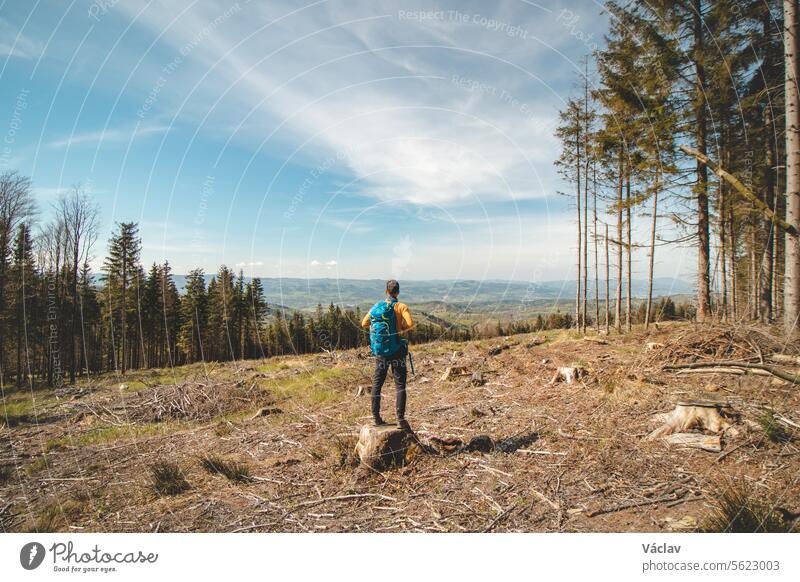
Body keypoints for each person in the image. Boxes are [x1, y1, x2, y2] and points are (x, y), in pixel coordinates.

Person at [361, 279, 414, 429]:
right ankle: (400, 420)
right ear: (398, 292)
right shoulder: (401, 306)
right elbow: (410, 324)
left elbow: (364, 323)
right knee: (400, 385)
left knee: (377, 384)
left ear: (386, 291)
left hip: (381, 353)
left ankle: (376, 418)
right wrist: (399, 329)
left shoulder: (376, 307)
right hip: (397, 351)